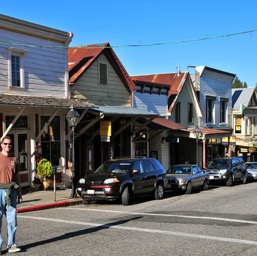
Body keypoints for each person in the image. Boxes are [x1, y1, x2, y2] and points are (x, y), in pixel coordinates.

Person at [0, 136, 22, 253]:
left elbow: (17, 176)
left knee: (12, 219)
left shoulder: (14, 159)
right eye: (5, 144)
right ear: (1, 145)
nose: (8, 146)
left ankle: (11, 245)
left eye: (10, 144)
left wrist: (19, 192)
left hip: (11, 191)